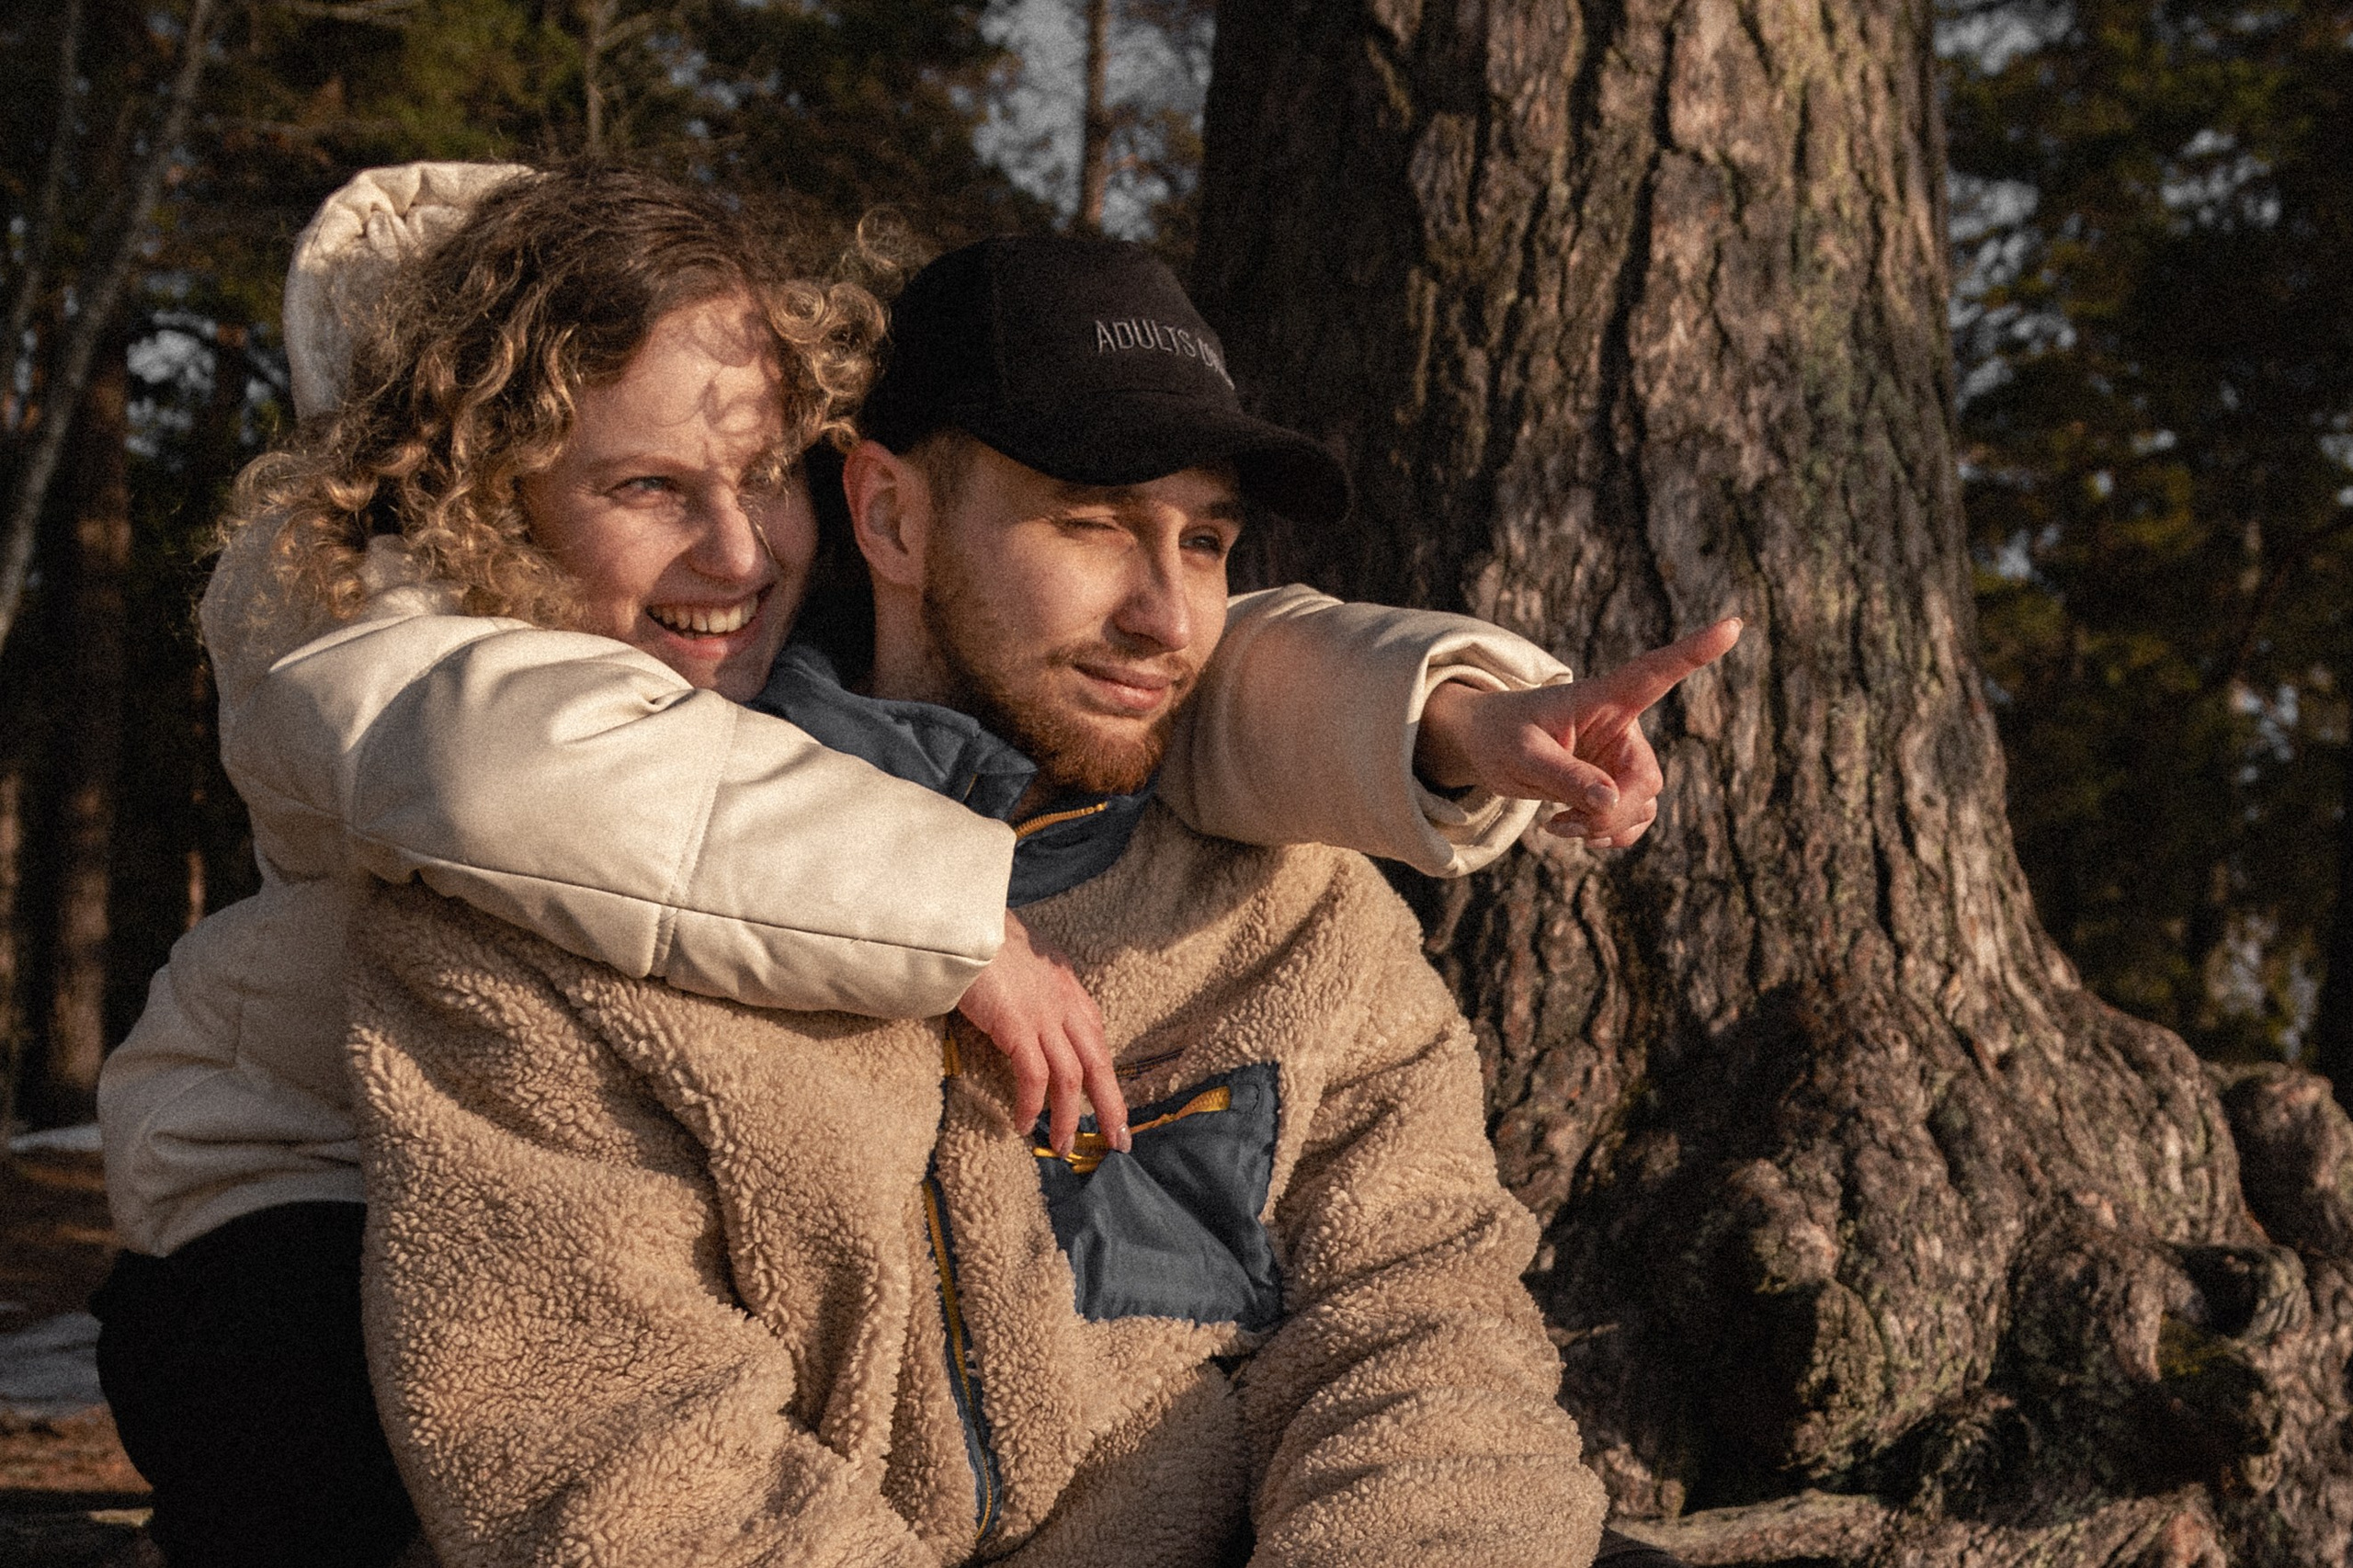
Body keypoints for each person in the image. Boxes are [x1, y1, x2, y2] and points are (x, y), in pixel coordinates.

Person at [92, 165, 1688, 1568]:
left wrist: (1451, 715)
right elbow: (620, 1450)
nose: (1166, 611)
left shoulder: (1292, 907)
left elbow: (1421, 1328)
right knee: (284, 1425)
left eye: (1206, 539)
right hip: (276, 1230)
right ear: (896, 517)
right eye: (1088, 519)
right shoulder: (491, 825)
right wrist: (960, 920)